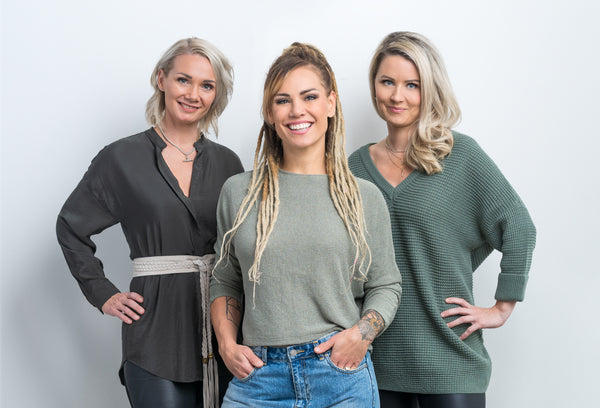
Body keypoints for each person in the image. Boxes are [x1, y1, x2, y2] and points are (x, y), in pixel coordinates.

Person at [348, 31, 537, 408]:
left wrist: (502, 307)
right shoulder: (353, 167)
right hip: (374, 358)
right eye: (387, 82)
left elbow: (519, 227)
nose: (397, 96)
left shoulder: (460, 155)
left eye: (411, 85)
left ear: (429, 89)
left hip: (450, 357)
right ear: (374, 87)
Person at [209, 42, 402, 407]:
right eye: (282, 100)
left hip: (340, 375)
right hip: (257, 378)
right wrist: (226, 344)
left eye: (309, 96)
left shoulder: (363, 197)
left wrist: (361, 334)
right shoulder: (240, 192)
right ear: (269, 112)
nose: (297, 110)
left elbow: (386, 284)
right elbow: (225, 277)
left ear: (330, 103)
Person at [56, 38, 243, 408]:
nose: (193, 94)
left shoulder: (229, 164)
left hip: (225, 330)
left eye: (207, 85)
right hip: (154, 331)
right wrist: (102, 292)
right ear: (161, 79)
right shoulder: (120, 158)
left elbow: (244, 248)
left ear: (216, 94)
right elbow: (71, 226)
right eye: (183, 80)